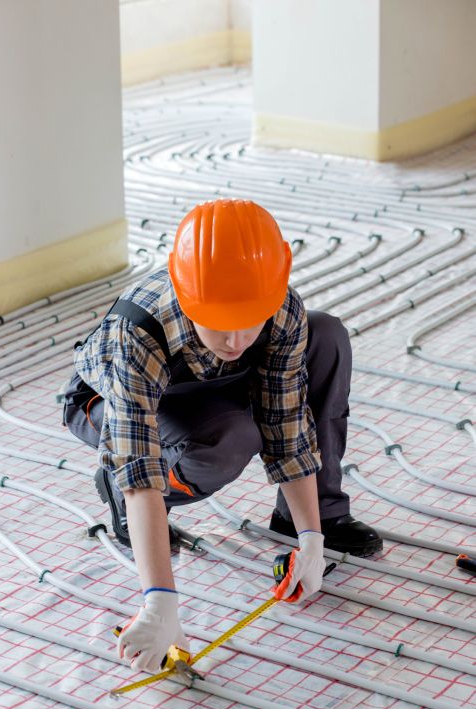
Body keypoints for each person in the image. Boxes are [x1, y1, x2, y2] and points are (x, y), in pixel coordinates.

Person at [63, 198, 383, 673]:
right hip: (113, 403)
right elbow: (139, 465)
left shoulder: (279, 310)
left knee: (327, 333)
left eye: (248, 321)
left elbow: (287, 425)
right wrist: (160, 603)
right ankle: (124, 504)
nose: (235, 340)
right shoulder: (139, 333)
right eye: (218, 321)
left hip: (213, 381)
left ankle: (312, 515)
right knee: (229, 440)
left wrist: (311, 537)